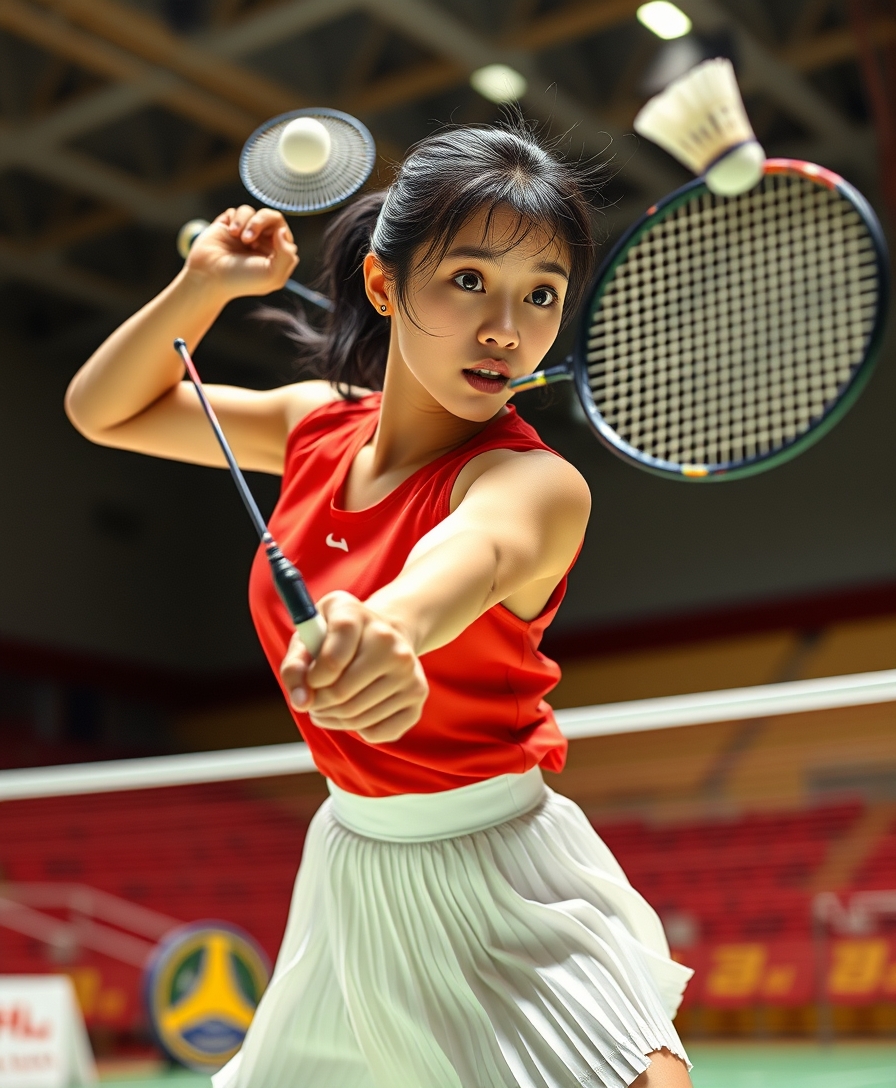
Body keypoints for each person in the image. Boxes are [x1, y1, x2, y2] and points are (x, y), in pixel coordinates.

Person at [65, 122, 693, 1088]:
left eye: (541, 297)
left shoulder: (533, 483)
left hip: (506, 873)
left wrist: (388, 630)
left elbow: (469, 559)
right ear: (383, 284)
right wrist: (203, 287)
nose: (505, 330)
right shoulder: (314, 424)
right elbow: (101, 409)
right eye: (469, 280)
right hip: (354, 864)